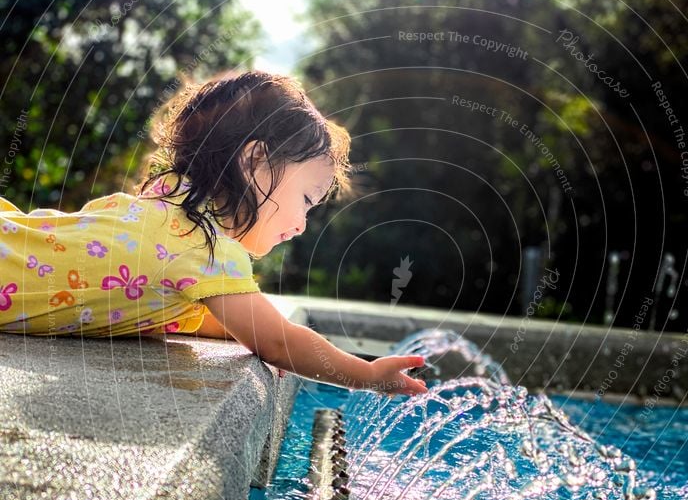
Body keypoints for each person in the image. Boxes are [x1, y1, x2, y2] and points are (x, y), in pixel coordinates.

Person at [0, 70, 427, 397]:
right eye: (306, 200)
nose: (301, 224)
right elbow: (278, 342)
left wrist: (250, 330)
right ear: (254, 162)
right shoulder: (203, 244)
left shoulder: (167, 206)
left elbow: (201, 316)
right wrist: (367, 375)